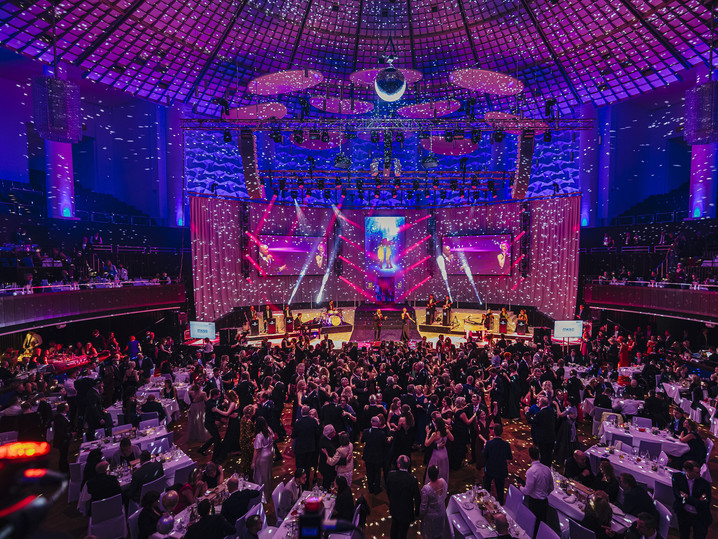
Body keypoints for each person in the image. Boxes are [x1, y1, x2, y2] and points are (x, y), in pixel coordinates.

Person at [672, 460, 712, 539]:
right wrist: (697, 500)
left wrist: (687, 497)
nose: (699, 474)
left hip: (699, 516)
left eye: (699, 472)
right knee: (683, 536)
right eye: (696, 472)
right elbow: (678, 495)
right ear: (688, 471)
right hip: (683, 513)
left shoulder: (705, 484)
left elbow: (705, 503)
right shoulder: (677, 477)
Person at [386, 455, 421, 539]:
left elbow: (388, 491)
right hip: (406, 511)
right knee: (403, 532)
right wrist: (416, 512)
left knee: (394, 527)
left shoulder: (391, 475)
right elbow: (417, 498)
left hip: (394, 507)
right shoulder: (413, 480)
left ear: (398, 465)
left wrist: (391, 500)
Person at [519, 446, 553, 533]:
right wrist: (544, 493)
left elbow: (528, 491)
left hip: (534, 503)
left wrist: (520, 488)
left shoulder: (531, 471)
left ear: (529, 456)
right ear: (539, 456)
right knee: (542, 526)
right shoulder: (547, 469)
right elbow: (551, 487)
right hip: (544, 502)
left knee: (533, 527)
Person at [482, 423, 512, 505]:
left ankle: (485, 504)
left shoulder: (489, 443)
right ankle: (500, 506)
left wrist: (485, 447)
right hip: (501, 470)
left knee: (487, 488)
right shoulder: (506, 445)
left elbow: (484, 455)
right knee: (500, 490)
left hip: (490, 469)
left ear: (494, 432)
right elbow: (510, 458)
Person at [362, 415, 390, 494]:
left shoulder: (365, 431)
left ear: (371, 422)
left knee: (369, 472)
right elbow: (385, 444)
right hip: (378, 456)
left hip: (368, 456)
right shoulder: (382, 433)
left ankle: (370, 488)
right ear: (378, 423)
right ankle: (377, 488)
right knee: (377, 473)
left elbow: (362, 440)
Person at [292, 405, 320, 482]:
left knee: (300, 466)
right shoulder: (313, 421)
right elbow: (317, 434)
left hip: (300, 449)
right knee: (307, 467)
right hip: (310, 448)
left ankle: (299, 482)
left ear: (301, 412)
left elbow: (293, 435)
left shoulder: (298, 423)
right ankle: (306, 482)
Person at [419, 465, 448, 539]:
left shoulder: (426, 488)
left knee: (430, 535)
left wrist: (420, 515)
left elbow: (423, 506)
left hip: (431, 517)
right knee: (439, 533)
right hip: (442, 511)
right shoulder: (443, 481)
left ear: (428, 475)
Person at [251, 416, 275, 499]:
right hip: (270, 454)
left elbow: (257, 450)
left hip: (263, 457)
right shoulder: (269, 430)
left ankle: (263, 496)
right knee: (268, 473)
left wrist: (253, 462)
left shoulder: (259, 435)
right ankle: (268, 491)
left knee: (261, 476)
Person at [424, 415, 452, 485]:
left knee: (434, 471)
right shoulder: (446, 431)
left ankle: (433, 486)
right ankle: (442, 485)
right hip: (444, 453)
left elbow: (426, 444)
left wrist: (427, 434)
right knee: (443, 470)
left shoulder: (435, 434)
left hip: (436, 455)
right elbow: (452, 439)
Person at [531, 396, 556, 466]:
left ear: (541, 404)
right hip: (551, 437)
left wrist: (527, 413)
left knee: (543, 455)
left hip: (543, 438)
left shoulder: (540, 414)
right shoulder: (551, 411)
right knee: (549, 455)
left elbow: (532, 421)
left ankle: (543, 469)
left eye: (539, 401)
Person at [53, 402, 72, 473]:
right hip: (62, 440)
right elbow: (61, 430)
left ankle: (65, 467)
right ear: (64, 409)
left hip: (64, 438)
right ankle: (63, 469)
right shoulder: (59, 418)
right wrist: (69, 435)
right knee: (63, 454)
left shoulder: (62, 416)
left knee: (64, 454)